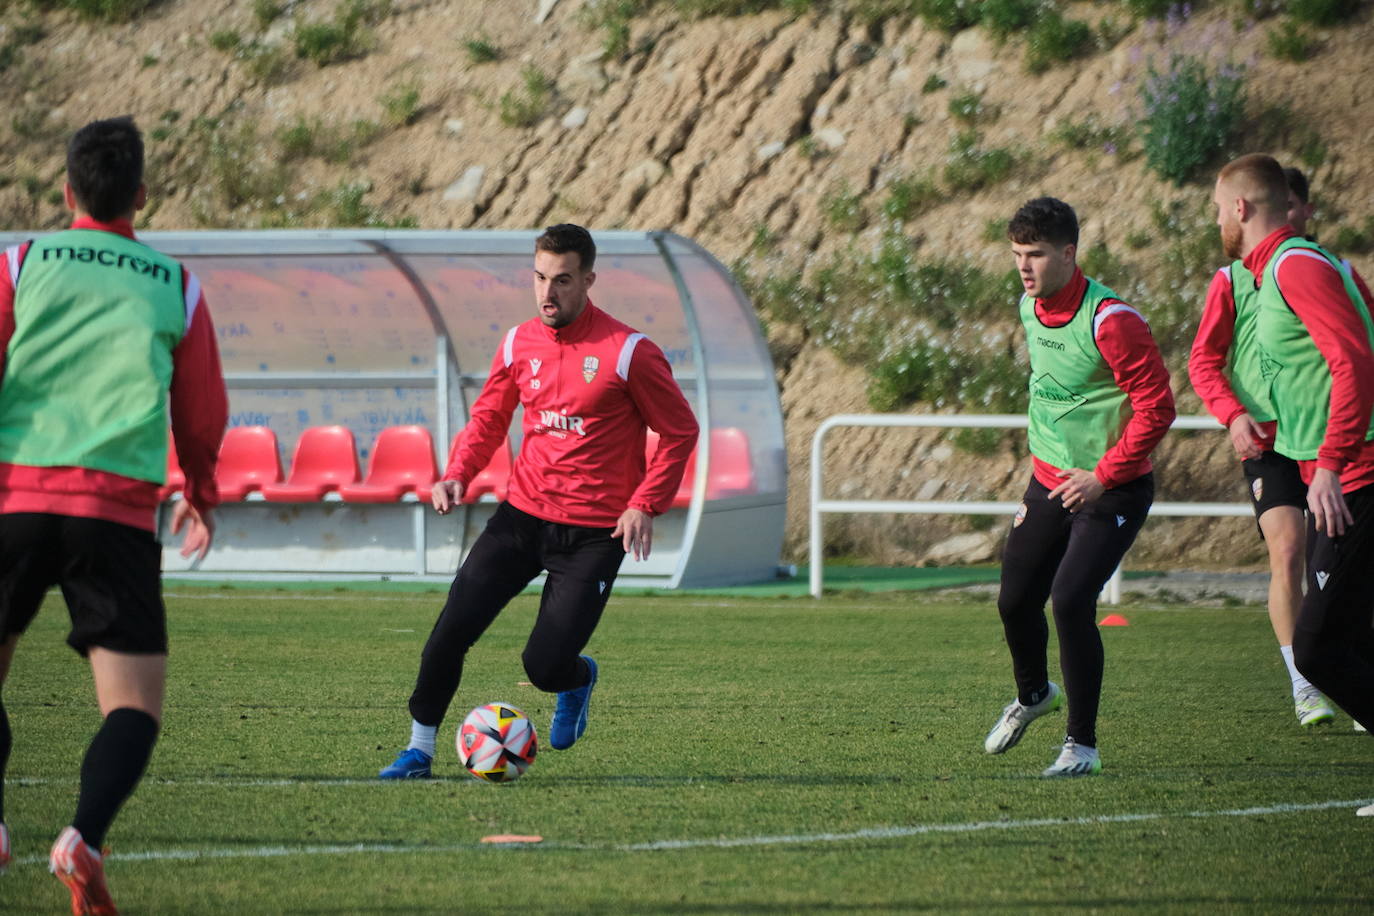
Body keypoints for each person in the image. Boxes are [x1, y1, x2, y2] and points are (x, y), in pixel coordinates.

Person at [0, 117, 227, 912]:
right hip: (117, 514)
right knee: (132, 709)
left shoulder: (20, 263)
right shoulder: (175, 285)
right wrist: (198, 491)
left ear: (65, 192)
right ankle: (83, 839)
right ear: (141, 196)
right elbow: (201, 416)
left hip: (14, 503)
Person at [379, 224, 698, 779]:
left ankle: (576, 680)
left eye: (563, 280)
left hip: (595, 536)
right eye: (540, 278)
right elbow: (489, 419)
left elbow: (679, 432)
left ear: (589, 281)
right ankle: (418, 751)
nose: (548, 293)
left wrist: (644, 502)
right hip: (521, 519)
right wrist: (457, 474)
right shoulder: (517, 343)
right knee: (449, 633)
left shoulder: (628, 353)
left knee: (544, 666)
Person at [984, 197, 1175, 777]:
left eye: (1035, 255)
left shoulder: (1111, 321)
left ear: (1069, 253)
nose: (1024, 267)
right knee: (1014, 602)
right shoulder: (1027, 307)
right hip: (1048, 483)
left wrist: (1103, 475)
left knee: (1069, 601)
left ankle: (1081, 747)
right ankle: (1035, 695)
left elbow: (1158, 407)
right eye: (1017, 255)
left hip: (1111, 490)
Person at [1211, 154, 1374, 816]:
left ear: (1243, 210)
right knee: (1333, 641)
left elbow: (1354, 358)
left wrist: (1331, 462)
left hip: (1359, 474)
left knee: (1318, 645)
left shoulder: (1295, 265)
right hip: (1334, 476)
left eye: (1220, 209)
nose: (1218, 221)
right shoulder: (1267, 272)